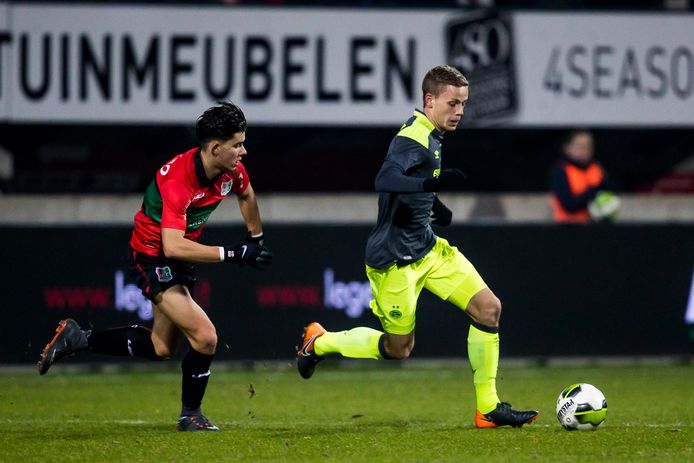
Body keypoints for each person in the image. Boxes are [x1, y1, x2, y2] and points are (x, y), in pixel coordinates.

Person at [296, 65, 539, 428]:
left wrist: (434, 206)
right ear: (430, 100)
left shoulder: (434, 135)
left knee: (488, 309)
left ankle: (488, 408)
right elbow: (386, 179)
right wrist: (430, 187)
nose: (459, 111)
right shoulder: (414, 136)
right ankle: (319, 342)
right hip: (395, 260)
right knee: (399, 349)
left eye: (464, 104)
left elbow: (411, 183)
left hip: (428, 248)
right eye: (452, 103)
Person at [37, 101, 272, 432]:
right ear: (216, 148)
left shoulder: (229, 170)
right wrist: (233, 254)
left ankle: (79, 338)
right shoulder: (179, 181)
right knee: (205, 337)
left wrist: (255, 239)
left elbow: (246, 195)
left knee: (161, 347)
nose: (243, 151)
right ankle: (191, 415)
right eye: (238, 145)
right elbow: (171, 245)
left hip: (176, 255)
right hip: (153, 256)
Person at [550, 130, 619, 223]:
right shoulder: (561, 171)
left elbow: (611, 193)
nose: (584, 150)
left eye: (588, 146)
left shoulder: (596, 169)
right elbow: (569, 205)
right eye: (579, 146)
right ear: (567, 147)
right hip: (567, 227)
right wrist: (595, 190)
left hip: (594, 226)